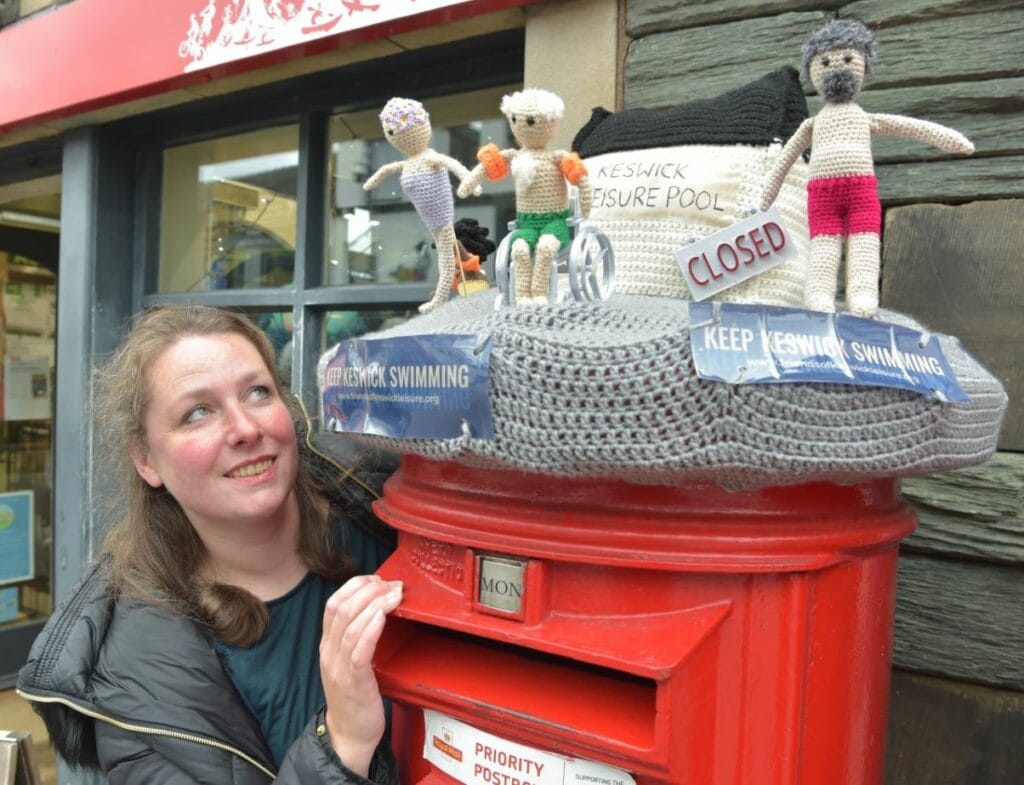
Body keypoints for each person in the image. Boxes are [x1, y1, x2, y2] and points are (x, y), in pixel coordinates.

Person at [17, 304, 402, 784]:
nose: (246, 429)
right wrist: (341, 742)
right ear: (146, 461)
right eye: (198, 413)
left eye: (258, 392)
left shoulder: (387, 500)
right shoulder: (133, 690)